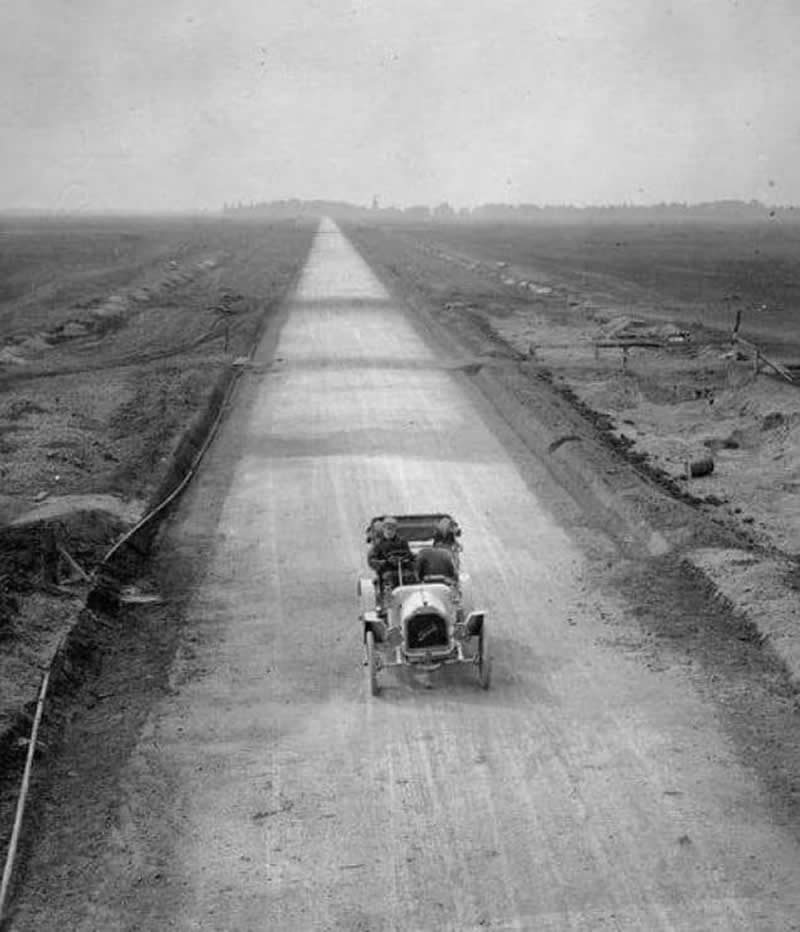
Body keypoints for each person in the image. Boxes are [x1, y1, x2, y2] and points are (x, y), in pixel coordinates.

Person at [367, 516, 413, 597]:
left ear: (395, 530)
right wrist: (385, 562)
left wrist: (405, 559)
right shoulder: (378, 544)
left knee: (412, 577)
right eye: (387, 528)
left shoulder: (402, 542)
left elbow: (410, 555)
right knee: (389, 578)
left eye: (392, 529)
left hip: (403, 570)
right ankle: (388, 599)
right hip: (386, 571)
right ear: (383, 529)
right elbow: (372, 561)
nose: (389, 531)